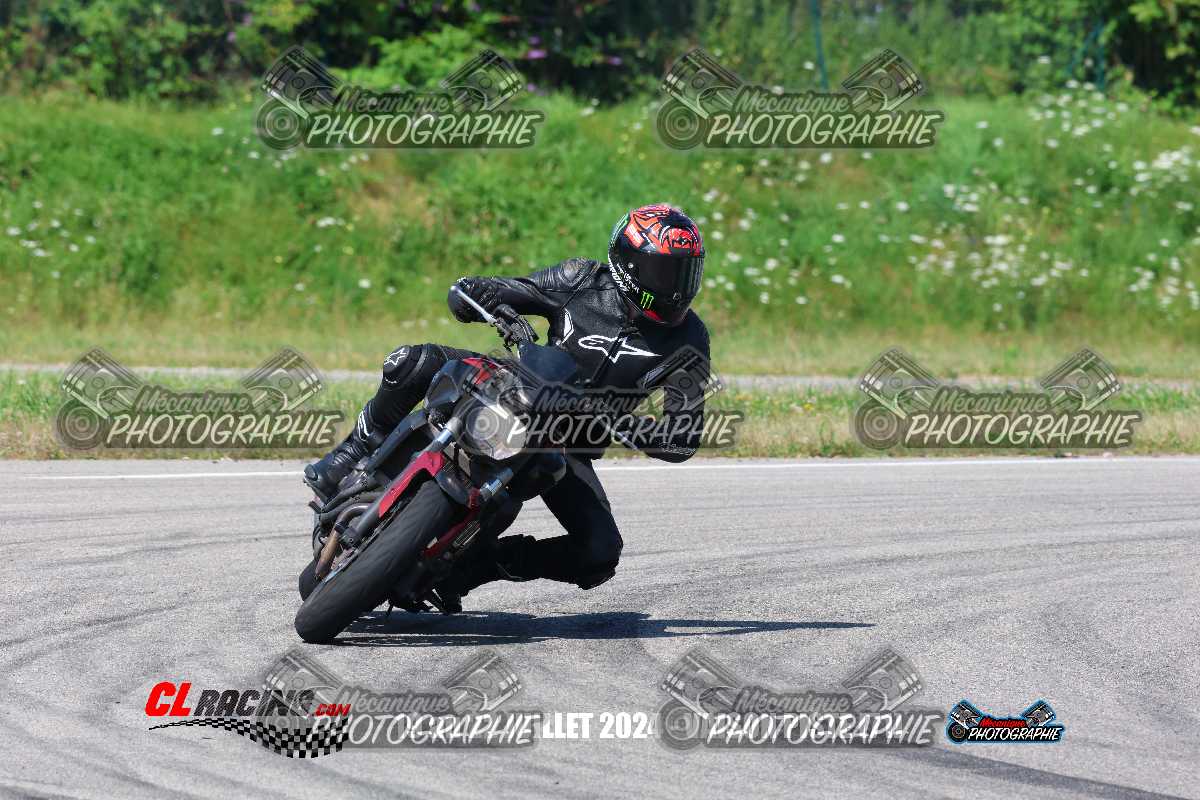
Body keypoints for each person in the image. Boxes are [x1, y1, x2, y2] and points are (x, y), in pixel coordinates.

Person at [304, 204, 712, 608]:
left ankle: (473, 567)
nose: (678, 288)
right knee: (411, 362)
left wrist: (626, 425)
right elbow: (495, 290)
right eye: (667, 272)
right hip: (513, 384)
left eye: (687, 273)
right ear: (628, 263)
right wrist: (482, 297)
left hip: (567, 443)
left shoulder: (690, 338)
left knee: (600, 552)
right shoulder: (581, 279)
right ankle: (351, 453)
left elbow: (684, 436)